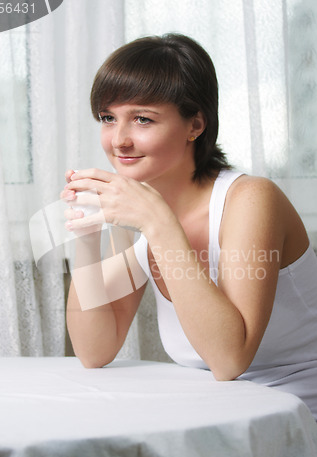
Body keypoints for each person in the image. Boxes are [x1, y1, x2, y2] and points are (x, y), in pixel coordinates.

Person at [61, 33, 317, 420]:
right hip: (219, 416)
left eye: (142, 119)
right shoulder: (141, 207)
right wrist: (86, 237)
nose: (119, 141)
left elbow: (230, 359)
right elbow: (94, 351)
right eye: (108, 118)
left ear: (195, 124)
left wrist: (159, 224)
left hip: (297, 420)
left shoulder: (250, 199)